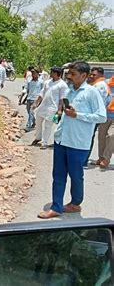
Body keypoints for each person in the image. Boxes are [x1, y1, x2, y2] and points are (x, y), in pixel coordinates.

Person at [38, 61, 106, 219]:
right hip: (62, 140)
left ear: (84, 75)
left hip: (78, 142)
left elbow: (101, 116)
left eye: (73, 74)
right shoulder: (69, 91)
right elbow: (65, 111)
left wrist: (78, 115)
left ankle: (75, 203)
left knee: (76, 176)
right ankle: (56, 207)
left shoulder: (91, 92)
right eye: (69, 73)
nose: (69, 76)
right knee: (58, 174)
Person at [31, 67, 68, 150]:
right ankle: (38, 137)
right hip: (43, 106)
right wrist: (36, 103)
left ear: (56, 73)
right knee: (38, 122)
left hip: (53, 107)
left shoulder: (62, 85)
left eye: (51, 72)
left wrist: (59, 110)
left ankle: (44, 142)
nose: (50, 73)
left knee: (48, 125)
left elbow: (62, 98)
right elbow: (42, 94)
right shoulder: (47, 82)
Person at [84, 67, 110, 166]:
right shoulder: (100, 84)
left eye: (94, 75)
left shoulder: (99, 86)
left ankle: (84, 160)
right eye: (91, 74)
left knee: (88, 137)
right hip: (95, 115)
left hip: (93, 115)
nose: (91, 76)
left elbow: (96, 102)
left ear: (100, 75)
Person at [97, 75, 114, 168]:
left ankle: (106, 158)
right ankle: (101, 157)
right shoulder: (106, 83)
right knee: (101, 136)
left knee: (111, 136)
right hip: (105, 115)